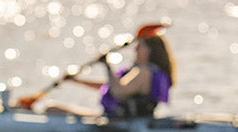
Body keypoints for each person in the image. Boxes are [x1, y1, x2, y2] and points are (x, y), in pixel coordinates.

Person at [43, 35, 176, 118]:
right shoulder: (148, 71)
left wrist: (107, 65)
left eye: (140, 47)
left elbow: (118, 91)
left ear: (150, 50)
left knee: (51, 108)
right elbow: (111, 86)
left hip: (120, 121)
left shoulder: (144, 71)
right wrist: (76, 81)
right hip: (126, 119)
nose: (135, 50)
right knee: (52, 108)